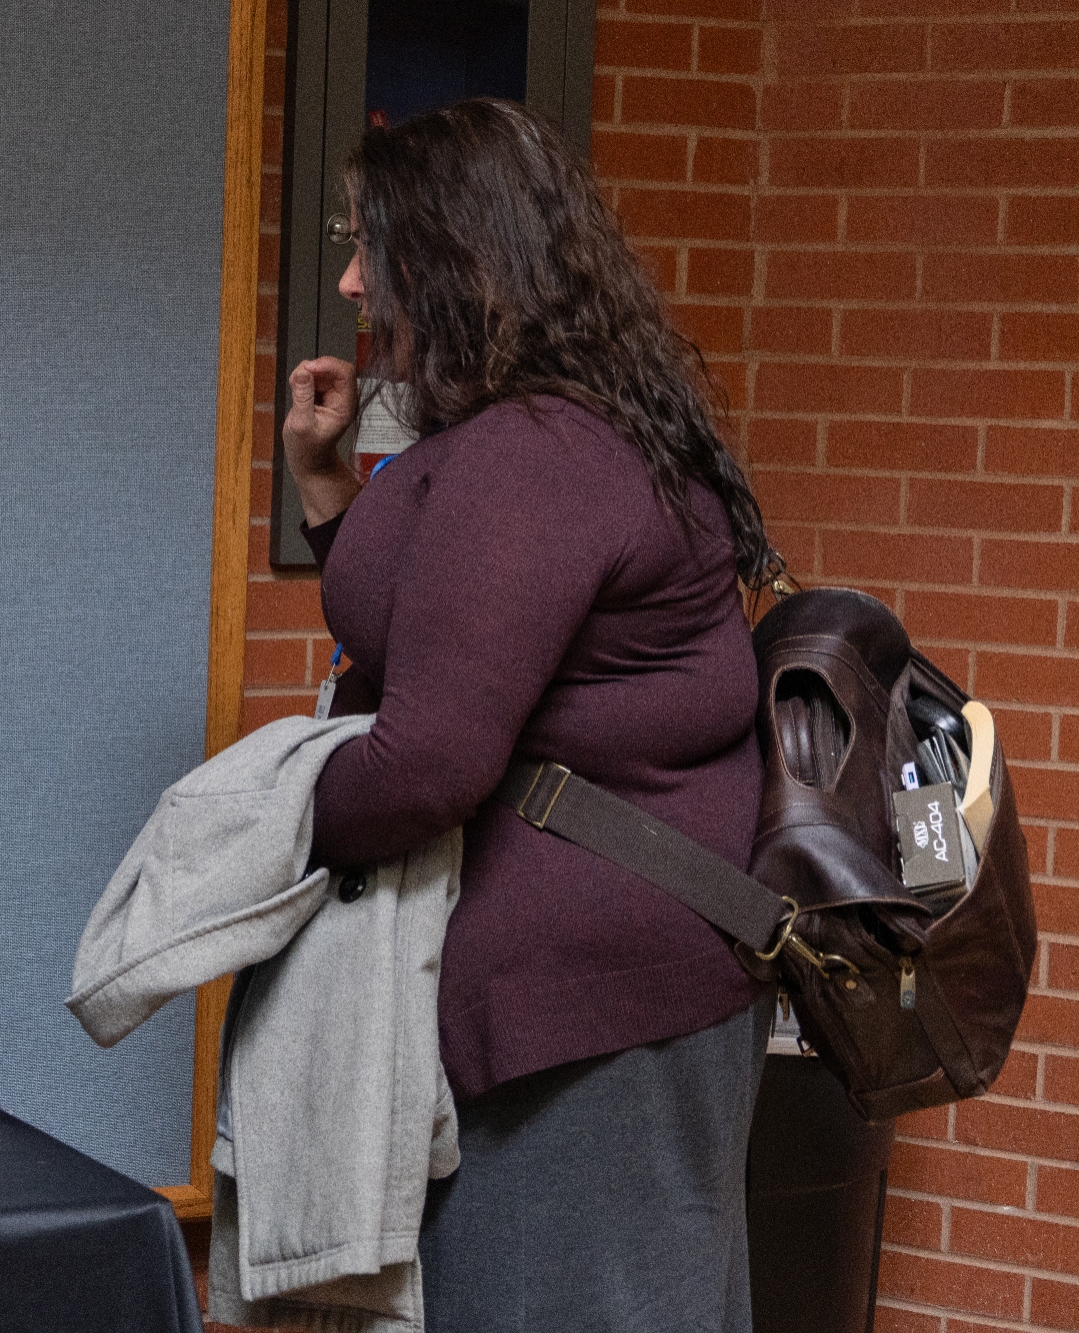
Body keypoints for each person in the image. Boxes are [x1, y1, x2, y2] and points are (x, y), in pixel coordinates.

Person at [281, 99, 774, 1332]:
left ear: (449, 261)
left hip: (585, 1011)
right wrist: (328, 486)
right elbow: (445, 625)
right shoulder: (558, 429)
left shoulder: (536, 457)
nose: (348, 277)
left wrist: (268, 816)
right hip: (621, 988)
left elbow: (430, 758)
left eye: (368, 248)